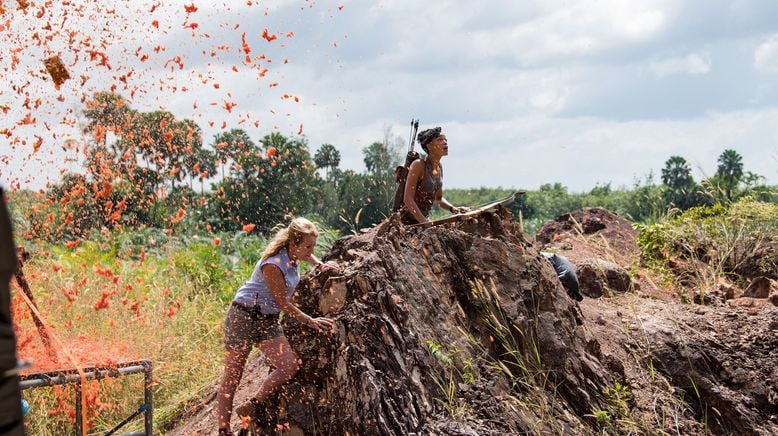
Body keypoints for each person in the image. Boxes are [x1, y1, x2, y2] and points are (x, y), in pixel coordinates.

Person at [215, 217, 338, 435]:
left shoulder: (297, 255)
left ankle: (253, 404)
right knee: (233, 375)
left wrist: (320, 265)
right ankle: (224, 429)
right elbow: (284, 304)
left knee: (289, 366)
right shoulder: (273, 264)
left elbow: (308, 256)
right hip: (243, 317)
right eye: (308, 246)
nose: (311, 251)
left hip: (267, 320)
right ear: (293, 244)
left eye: (313, 246)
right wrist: (311, 321)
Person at [400, 127, 468, 224]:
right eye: (440, 140)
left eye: (445, 139)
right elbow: (408, 199)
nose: (445, 142)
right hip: (406, 223)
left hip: (423, 222)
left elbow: (438, 199)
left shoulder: (439, 167)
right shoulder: (418, 165)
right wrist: (424, 222)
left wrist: (453, 209)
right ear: (429, 146)